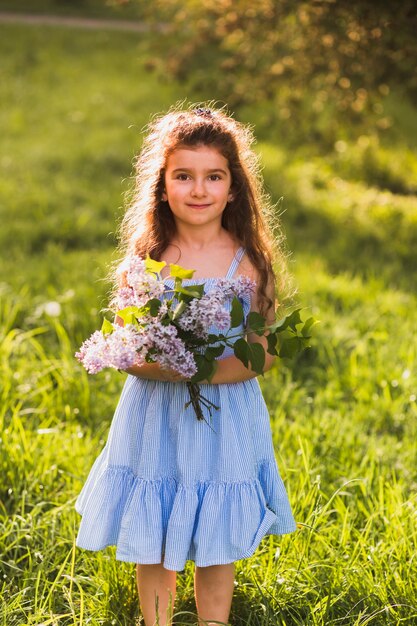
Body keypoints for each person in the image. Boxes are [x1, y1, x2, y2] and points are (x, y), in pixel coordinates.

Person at [75, 104, 297, 626]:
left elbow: (261, 353)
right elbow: (132, 348)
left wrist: (201, 371)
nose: (198, 190)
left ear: (234, 187)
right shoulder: (150, 256)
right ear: (162, 185)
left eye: (213, 176)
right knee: (153, 524)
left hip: (225, 415)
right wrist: (164, 365)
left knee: (216, 533)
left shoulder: (249, 262)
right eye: (183, 176)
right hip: (156, 415)